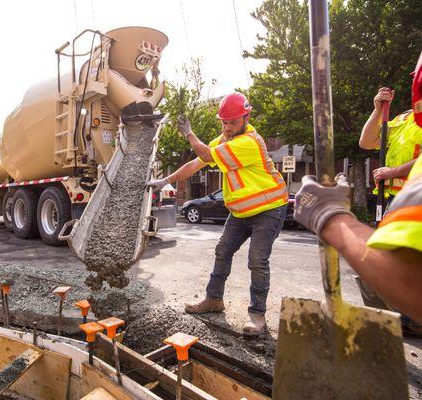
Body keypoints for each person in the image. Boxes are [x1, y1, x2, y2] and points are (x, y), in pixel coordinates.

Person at [294, 52, 422, 324]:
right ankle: (404, 318)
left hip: (409, 199)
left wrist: (331, 219)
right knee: (388, 259)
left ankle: (406, 316)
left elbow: (413, 282)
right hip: (394, 201)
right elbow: (367, 142)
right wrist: (378, 111)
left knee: (396, 267)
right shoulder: (402, 120)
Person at [147, 92, 288, 336]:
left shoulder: (249, 143)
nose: (227, 127)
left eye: (232, 122)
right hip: (241, 211)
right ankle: (214, 299)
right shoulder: (226, 139)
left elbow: (206, 155)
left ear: (246, 117)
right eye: (224, 122)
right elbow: (196, 163)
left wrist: (189, 134)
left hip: (269, 209)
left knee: (257, 259)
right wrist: (165, 181)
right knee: (223, 250)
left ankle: (257, 315)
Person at [360, 87, 422, 196]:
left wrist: (392, 172)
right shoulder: (406, 117)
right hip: (398, 200)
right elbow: (367, 142)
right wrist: (378, 111)